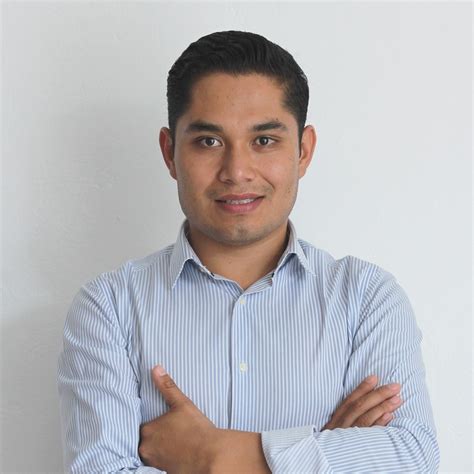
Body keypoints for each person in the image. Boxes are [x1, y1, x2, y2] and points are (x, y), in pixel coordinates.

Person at [58, 30, 439, 473]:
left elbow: (411, 458)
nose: (237, 172)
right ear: (170, 152)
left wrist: (213, 456)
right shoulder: (108, 307)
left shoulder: (367, 298)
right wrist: (319, 452)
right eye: (209, 141)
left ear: (303, 151)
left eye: (264, 141)